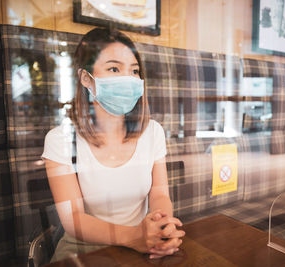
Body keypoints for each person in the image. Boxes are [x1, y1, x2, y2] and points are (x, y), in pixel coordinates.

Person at [41, 27, 185, 262]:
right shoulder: (59, 140)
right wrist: (134, 237)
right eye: (114, 68)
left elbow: (159, 194)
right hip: (84, 249)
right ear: (87, 78)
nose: (128, 78)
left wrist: (162, 228)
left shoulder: (153, 132)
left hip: (142, 244)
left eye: (134, 70)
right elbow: (73, 218)